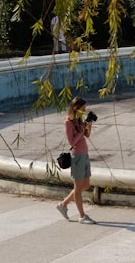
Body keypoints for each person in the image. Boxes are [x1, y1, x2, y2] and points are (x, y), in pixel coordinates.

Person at [56, 96, 96, 224]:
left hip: (84, 154)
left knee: (85, 185)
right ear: (76, 108)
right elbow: (72, 141)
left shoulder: (79, 120)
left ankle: (63, 204)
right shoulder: (68, 122)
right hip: (77, 156)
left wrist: (88, 125)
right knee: (78, 187)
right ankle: (82, 216)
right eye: (83, 108)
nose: (84, 111)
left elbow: (87, 135)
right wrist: (82, 129)